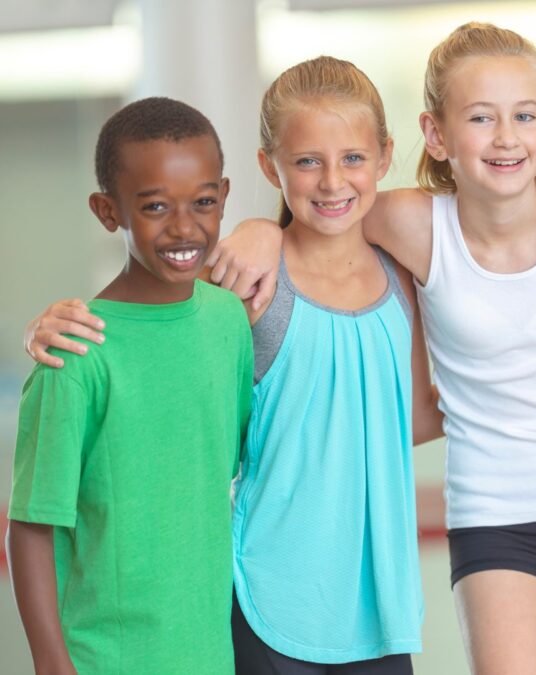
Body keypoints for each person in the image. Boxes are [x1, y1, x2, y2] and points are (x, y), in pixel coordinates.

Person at [28, 25, 536, 675]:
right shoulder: (413, 221)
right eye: (481, 117)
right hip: (493, 509)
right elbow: (316, 210)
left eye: (525, 114)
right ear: (436, 133)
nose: (505, 136)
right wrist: (252, 228)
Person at [23, 58, 441, 674]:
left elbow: (410, 416)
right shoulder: (242, 290)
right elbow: (164, 329)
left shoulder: (403, 273)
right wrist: (47, 327)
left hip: (379, 608)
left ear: (383, 156)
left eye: (352, 158)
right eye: (306, 161)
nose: (331, 181)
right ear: (269, 166)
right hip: (263, 601)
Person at [6, 97, 252, 674]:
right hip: (105, 659)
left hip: (211, 653)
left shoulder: (227, 319)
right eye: (156, 207)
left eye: (204, 203)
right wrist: (51, 662)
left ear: (224, 196)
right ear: (107, 210)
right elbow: (32, 526)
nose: (184, 227)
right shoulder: (76, 353)